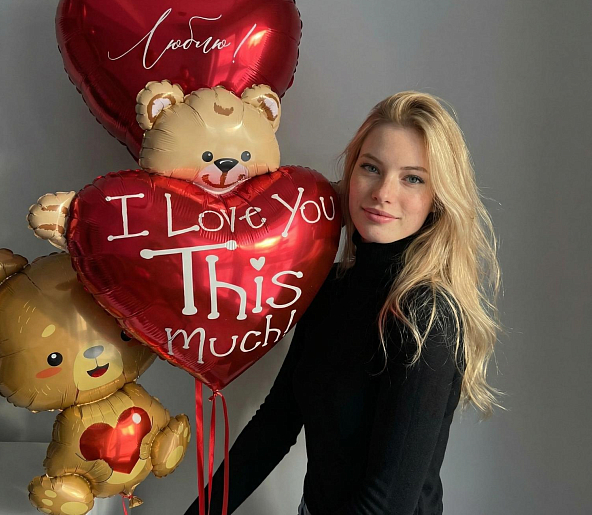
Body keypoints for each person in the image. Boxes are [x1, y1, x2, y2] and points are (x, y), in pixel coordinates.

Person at [184, 91, 501, 515]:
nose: (383, 192)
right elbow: (274, 426)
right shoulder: (329, 287)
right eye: (371, 168)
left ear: (438, 199)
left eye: (412, 178)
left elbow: (387, 504)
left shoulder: (427, 316)